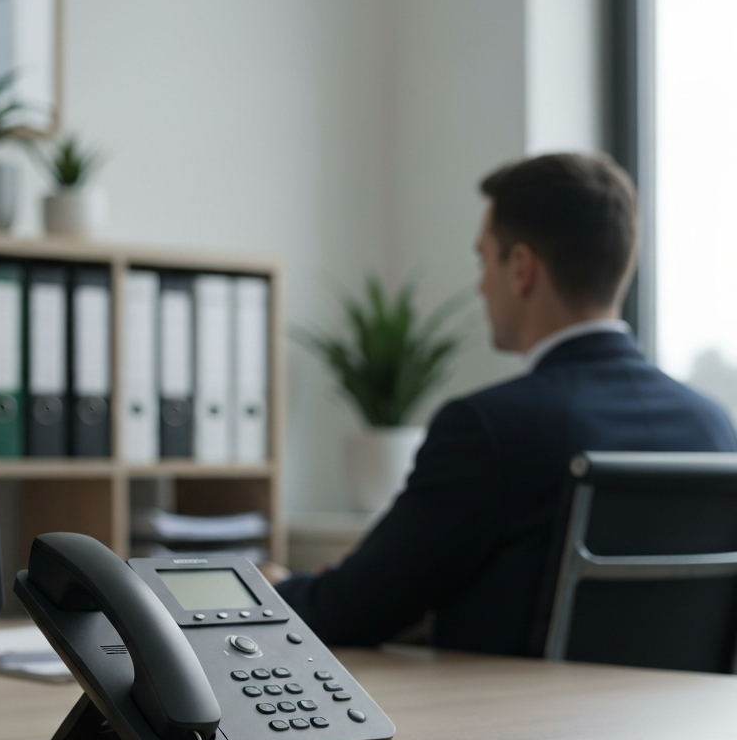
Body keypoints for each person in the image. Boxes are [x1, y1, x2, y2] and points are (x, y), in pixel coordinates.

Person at [274, 152, 737, 656]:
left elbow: (348, 610)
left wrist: (267, 588)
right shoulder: (714, 430)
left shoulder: (488, 429)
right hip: (684, 732)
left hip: (529, 733)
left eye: (483, 258)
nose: (479, 284)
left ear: (521, 269)